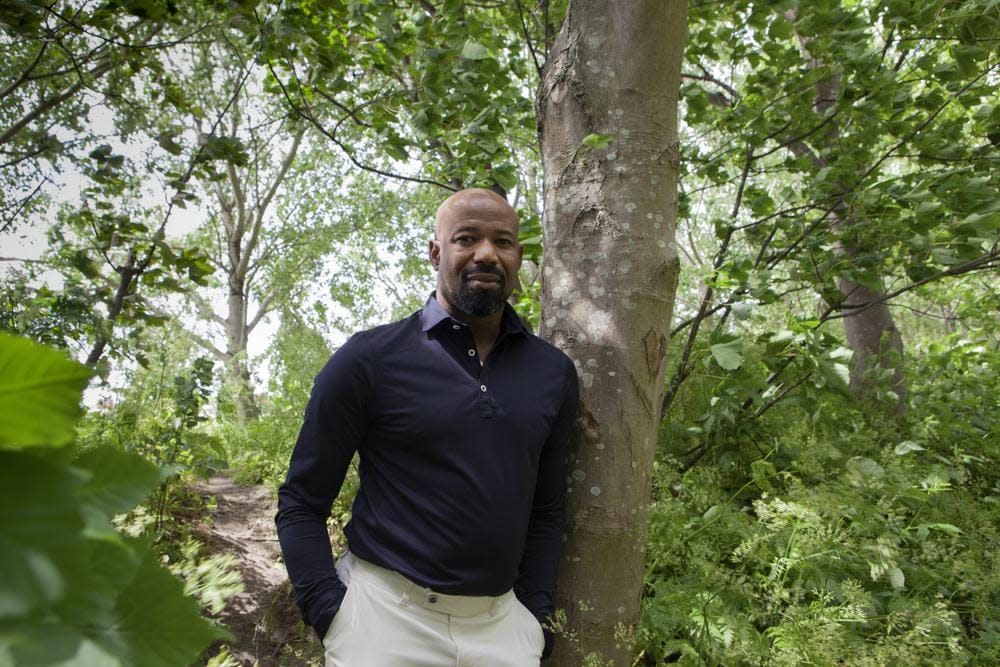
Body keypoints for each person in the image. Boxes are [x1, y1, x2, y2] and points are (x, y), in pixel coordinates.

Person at [276, 188, 579, 666]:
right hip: (382, 625)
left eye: (502, 241)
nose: (486, 253)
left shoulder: (552, 373)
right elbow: (300, 502)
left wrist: (535, 620)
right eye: (466, 238)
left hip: (502, 631)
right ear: (436, 252)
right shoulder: (371, 359)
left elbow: (547, 511)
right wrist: (329, 613)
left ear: (518, 257)